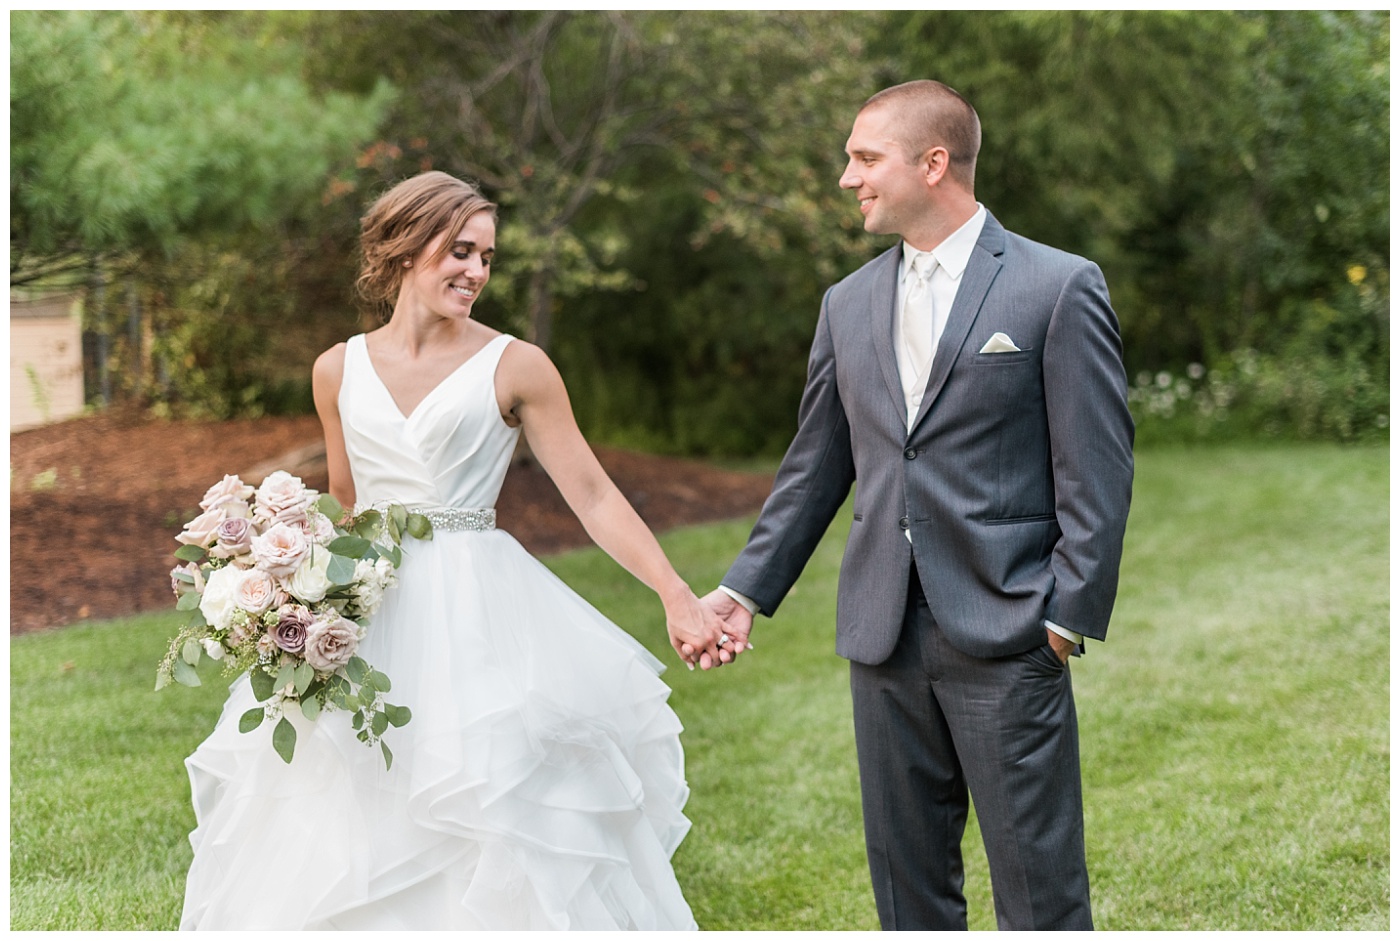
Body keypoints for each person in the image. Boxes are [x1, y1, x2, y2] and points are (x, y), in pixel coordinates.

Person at [179, 170, 732, 930]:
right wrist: (284, 579)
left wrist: (676, 593)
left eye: (487, 257)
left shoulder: (517, 366)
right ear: (405, 247)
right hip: (367, 610)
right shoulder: (336, 369)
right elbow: (346, 501)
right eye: (460, 251)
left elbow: (595, 495)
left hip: (481, 611)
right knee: (342, 799)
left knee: (490, 803)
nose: (476, 271)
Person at [696, 81, 1134, 930]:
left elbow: (1097, 471)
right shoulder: (848, 302)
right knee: (908, 893)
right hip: (882, 632)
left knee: (1040, 891)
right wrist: (742, 591)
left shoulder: (1057, 286)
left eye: (864, 158)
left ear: (933, 164)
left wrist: (1063, 618)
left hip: (1010, 631)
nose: (845, 177)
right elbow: (816, 468)